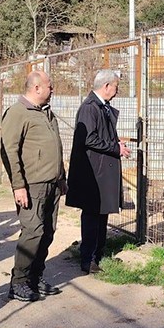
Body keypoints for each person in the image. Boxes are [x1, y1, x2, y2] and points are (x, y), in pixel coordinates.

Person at [0, 71, 66, 302]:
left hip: (52, 184)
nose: (53, 90)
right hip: (31, 185)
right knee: (33, 232)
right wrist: (18, 186)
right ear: (36, 88)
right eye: (50, 86)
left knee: (47, 232)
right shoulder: (17, 113)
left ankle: (35, 278)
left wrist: (62, 178)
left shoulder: (46, 113)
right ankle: (18, 282)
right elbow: (9, 152)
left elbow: (55, 147)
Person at [66, 69, 131, 274]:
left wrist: (115, 142)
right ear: (106, 86)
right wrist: (115, 148)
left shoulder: (102, 107)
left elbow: (99, 136)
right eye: (116, 87)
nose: (117, 91)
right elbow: (88, 139)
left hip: (101, 171)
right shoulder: (90, 108)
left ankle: (98, 254)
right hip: (94, 172)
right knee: (93, 216)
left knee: (101, 214)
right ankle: (88, 259)